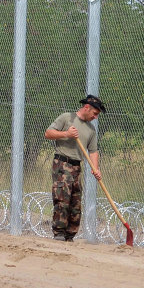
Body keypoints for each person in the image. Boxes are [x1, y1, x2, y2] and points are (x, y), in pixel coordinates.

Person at [43, 94, 105, 242]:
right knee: (62, 199)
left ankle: (70, 235)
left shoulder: (91, 130)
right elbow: (48, 133)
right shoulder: (67, 118)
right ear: (86, 107)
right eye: (95, 114)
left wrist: (95, 168)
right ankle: (59, 233)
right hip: (62, 164)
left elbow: (93, 151)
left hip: (77, 167)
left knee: (75, 202)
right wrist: (66, 134)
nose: (95, 117)